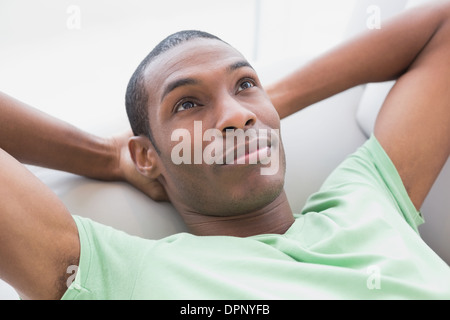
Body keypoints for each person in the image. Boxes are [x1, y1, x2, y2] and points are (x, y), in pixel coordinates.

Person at [1, 2, 449, 300]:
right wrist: (103, 155)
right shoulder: (116, 274)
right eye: (188, 103)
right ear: (146, 156)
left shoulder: (368, 197)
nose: (235, 114)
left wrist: (264, 104)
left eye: (245, 84)